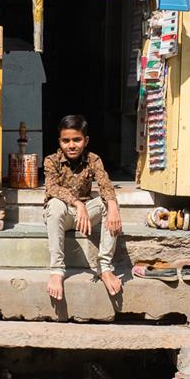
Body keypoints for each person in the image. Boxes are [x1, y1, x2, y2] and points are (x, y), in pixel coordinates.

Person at [43, 115, 124, 301]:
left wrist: (112, 206)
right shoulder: (51, 160)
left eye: (77, 140)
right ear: (60, 142)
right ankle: (56, 270)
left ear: (85, 140)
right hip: (61, 215)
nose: (71, 145)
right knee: (55, 204)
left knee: (107, 203)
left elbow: (105, 184)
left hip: (85, 217)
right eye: (66, 140)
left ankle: (104, 268)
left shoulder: (93, 159)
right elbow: (52, 188)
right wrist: (78, 204)